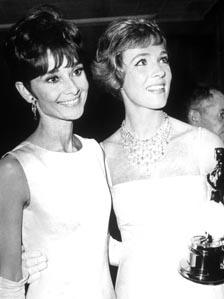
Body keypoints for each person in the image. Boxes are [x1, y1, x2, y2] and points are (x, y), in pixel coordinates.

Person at [25, 16, 224, 299]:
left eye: (163, 59)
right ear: (116, 75)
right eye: (142, 61)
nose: (160, 72)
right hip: (136, 289)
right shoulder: (99, 155)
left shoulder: (204, 143)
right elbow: (95, 244)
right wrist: (34, 255)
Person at [0, 5, 116, 299]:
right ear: (26, 92)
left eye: (76, 71)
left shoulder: (94, 151)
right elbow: (8, 283)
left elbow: (101, 246)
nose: (73, 87)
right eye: (53, 78)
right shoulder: (15, 168)